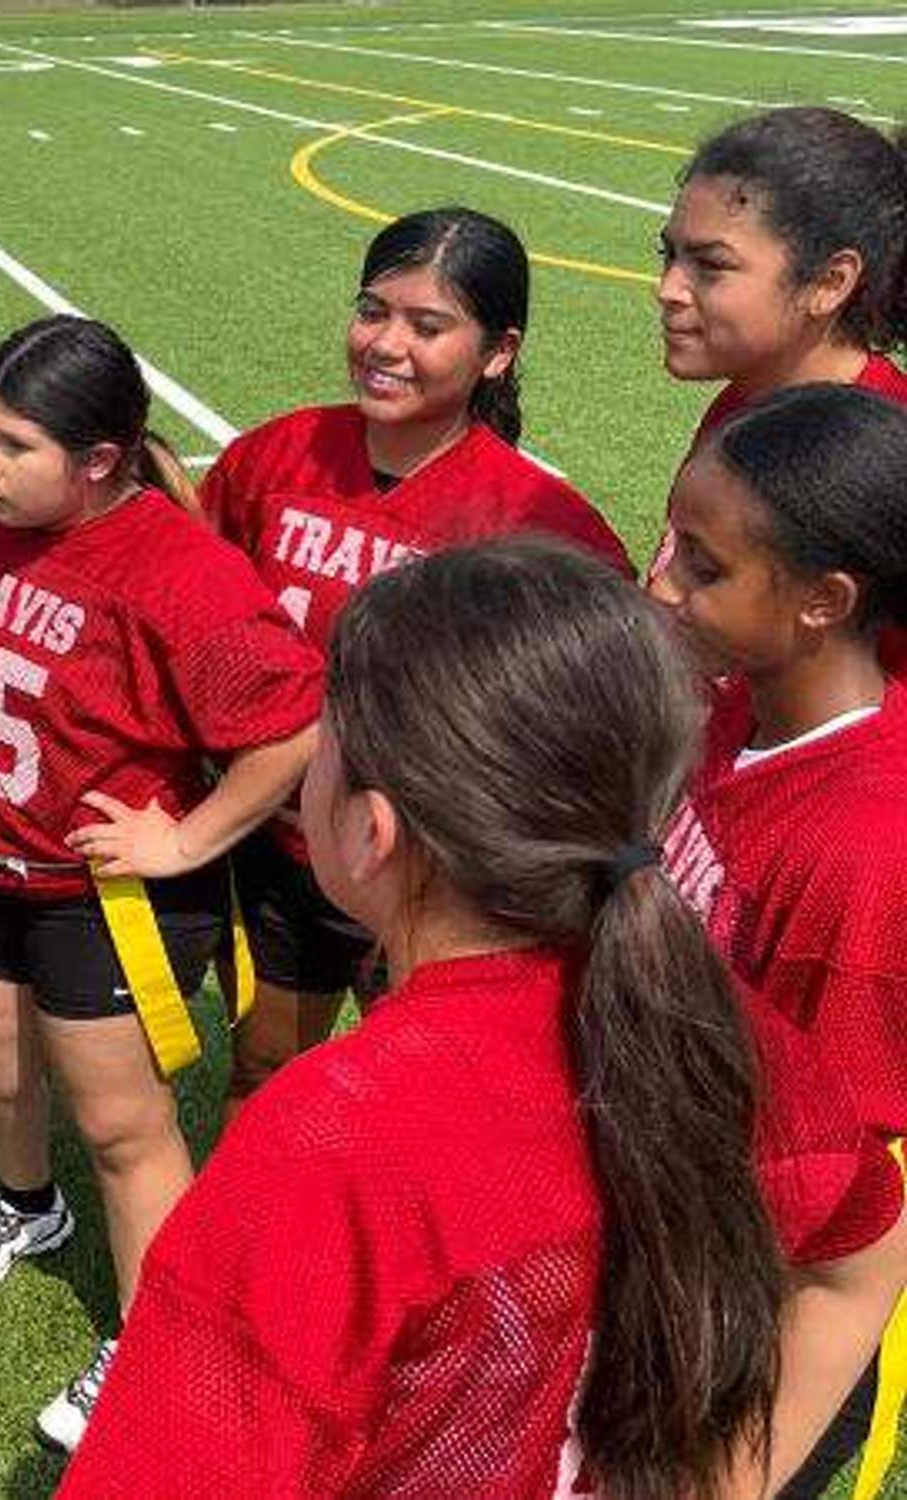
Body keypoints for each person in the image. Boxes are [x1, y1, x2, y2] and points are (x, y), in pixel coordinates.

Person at [62, 538, 907, 1499]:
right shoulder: (717, 1029)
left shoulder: (331, 1146)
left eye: (323, 742)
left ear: (371, 831)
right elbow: (862, 1256)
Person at [0, 314, 321, 1452]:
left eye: (12, 444)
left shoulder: (179, 571)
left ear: (98, 461)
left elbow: (290, 724)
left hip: (104, 897)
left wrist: (189, 840)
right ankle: (25, 1210)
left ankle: (152, 1337)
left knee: (120, 1129)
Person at [197, 207, 628, 1104]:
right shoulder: (275, 456)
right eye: (372, 311)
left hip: (445, 870)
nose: (386, 344)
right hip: (287, 845)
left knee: (438, 1095)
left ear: (497, 351)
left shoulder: (537, 524)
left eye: (428, 326)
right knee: (266, 1069)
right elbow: (194, 606)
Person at [654, 383, 907, 1498]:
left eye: (702, 567)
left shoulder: (863, 856)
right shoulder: (729, 706)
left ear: (822, 599)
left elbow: (840, 1229)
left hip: (748, 1322)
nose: (659, 580)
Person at [653, 107, 907, 679]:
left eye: (711, 265)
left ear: (829, 282)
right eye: (669, 254)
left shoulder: (887, 456)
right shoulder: (749, 401)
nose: (667, 289)